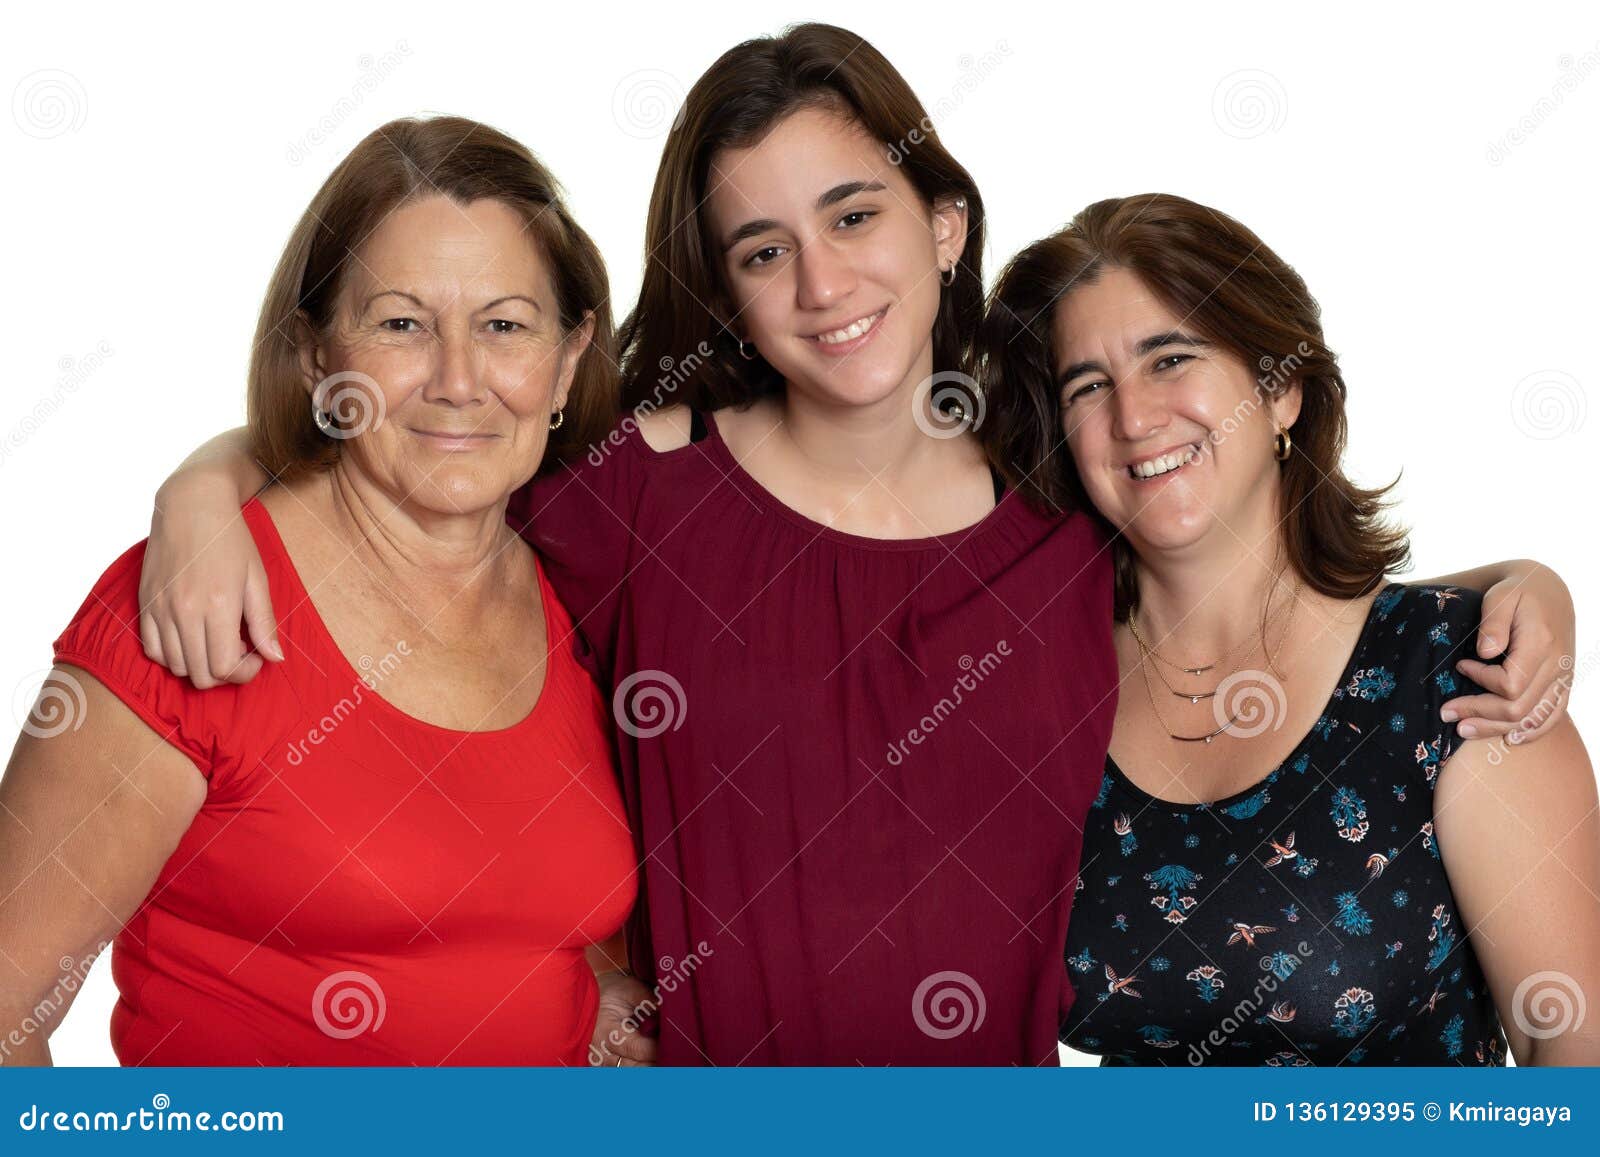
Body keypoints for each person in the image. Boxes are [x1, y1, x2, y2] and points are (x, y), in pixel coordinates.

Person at [121, 28, 1574, 1065]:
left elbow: (1266, 606)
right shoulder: (643, 496)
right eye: (761, 252)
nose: (822, 285)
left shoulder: (1062, 502)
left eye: (854, 213)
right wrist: (208, 483)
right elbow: (427, 454)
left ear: (943, 225)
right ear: (727, 292)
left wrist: (1517, 592)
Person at [0, 116, 643, 1066]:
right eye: (400, 325)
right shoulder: (194, 606)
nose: (459, 381)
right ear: (316, 355)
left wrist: (596, 1000)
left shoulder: (586, 582)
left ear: (571, 357)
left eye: (505, 325)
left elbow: (504, 924)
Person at [980, 192, 1599, 1064]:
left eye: (1170, 359)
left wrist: (1529, 578)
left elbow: (1570, 1068)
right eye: (1089, 385)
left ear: (1281, 392)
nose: (1133, 418)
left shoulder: (1462, 676)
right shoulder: (1049, 690)